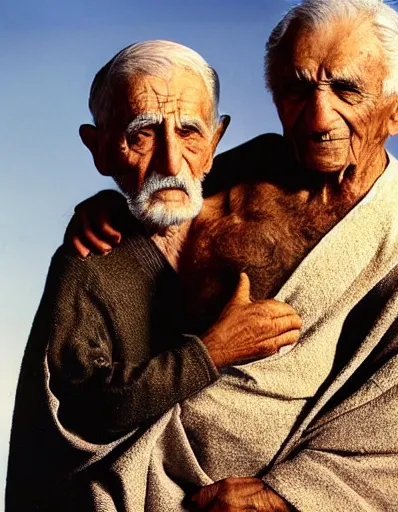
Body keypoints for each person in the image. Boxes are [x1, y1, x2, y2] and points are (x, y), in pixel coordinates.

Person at [20, 0, 398, 510]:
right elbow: (160, 189)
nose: (319, 117)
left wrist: (285, 497)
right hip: (110, 473)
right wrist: (107, 208)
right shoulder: (244, 166)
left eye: (347, 90)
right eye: (297, 89)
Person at [5, 41, 302, 511]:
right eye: (142, 134)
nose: (169, 160)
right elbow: (86, 407)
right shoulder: (88, 259)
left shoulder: (258, 209)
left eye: (189, 132)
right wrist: (216, 350)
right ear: (100, 149)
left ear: (215, 145)